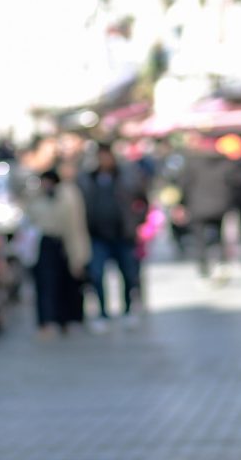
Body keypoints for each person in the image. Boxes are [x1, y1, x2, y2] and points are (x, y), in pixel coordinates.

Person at [76, 143, 149, 332]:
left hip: (122, 235)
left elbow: (143, 199)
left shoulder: (126, 176)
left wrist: (137, 222)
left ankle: (127, 309)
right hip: (97, 235)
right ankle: (102, 312)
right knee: (98, 275)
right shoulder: (87, 179)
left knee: (128, 273)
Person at [24, 166, 90, 339]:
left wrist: (78, 256)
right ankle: (47, 321)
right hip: (44, 244)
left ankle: (68, 320)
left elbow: (76, 226)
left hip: (64, 242)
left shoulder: (69, 195)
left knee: (68, 283)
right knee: (46, 284)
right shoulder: (34, 197)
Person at [179, 134, 241, 278]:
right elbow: (236, 183)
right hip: (220, 205)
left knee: (199, 237)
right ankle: (221, 262)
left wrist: (182, 204)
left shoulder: (192, 162)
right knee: (219, 234)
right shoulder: (226, 162)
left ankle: (203, 266)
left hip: (197, 205)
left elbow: (184, 184)